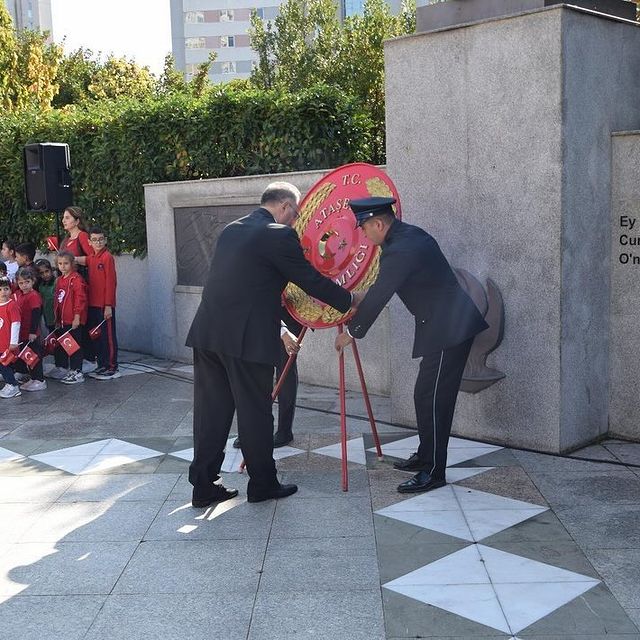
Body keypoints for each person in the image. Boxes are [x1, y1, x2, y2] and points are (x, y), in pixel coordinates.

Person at [187, 182, 354, 508]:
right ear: (286, 207)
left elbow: (241, 287)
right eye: (296, 214)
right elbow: (309, 279)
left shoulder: (231, 230)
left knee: (211, 414)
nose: (296, 222)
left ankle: (203, 487)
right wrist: (349, 299)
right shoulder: (279, 234)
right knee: (255, 414)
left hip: (208, 334)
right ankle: (263, 484)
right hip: (246, 339)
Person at [335, 197, 488, 494]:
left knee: (435, 401)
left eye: (365, 228)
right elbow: (382, 286)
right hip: (440, 328)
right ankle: (424, 455)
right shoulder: (403, 238)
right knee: (424, 396)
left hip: (450, 330)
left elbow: (380, 295)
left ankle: (433, 471)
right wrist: (354, 299)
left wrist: (351, 332)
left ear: (379, 223)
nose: (364, 235)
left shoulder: (402, 248)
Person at [232, 304, 302, 450]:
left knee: (285, 373)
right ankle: (252, 430)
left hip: (291, 311)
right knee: (255, 373)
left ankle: (284, 430)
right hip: (259, 313)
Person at [75, 226, 120, 379]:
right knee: (98, 337)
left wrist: (108, 305)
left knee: (108, 337)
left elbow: (111, 283)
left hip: (104, 306)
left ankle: (112, 366)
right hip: (93, 304)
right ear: (90, 242)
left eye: (101, 239)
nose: (98, 242)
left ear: (105, 240)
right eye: (94, 240)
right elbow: (80, 259)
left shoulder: (107, 257)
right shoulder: (92, 257)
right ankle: (102, 364)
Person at [50, 251, 88, 385]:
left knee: (75, 346)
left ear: (72, 264)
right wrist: (57, 319)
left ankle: (77, 371)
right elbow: (58, 301)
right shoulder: (60, 280)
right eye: (60, 264)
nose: (63, 266)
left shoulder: (76, 279)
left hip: (73, 320)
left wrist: (77, 317)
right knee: (68, 346)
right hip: (63, 320)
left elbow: (80, 299)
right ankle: (71, 369)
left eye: (66, 263)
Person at [12, 267, 46, 391]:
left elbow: (36, 314)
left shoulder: (33, 296)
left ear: (33, 281)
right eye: (21, 283)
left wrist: (33, 332)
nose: (24, 285)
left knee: (34, 357)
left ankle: (39, 379)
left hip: (31, 333)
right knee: (28, 356)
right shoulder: (19, 295)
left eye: (27, 282)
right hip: (23, 332)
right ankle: (33, 378)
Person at [0, 276, 22, 398]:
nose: (4, 292)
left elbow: (16, 323)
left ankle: (12, 385)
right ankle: (9, 383)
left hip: (7, 343)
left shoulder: (11, 305)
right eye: (1, 289)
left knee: (4, 364)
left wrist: (14, 342)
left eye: (6, 289)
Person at [35, 259, 56, 334]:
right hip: (47, 318)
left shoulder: (57, 282)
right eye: (42, 273)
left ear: (51, 270)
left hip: (58, 318)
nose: (45, 275)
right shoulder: (40, 286)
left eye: (47, 271)